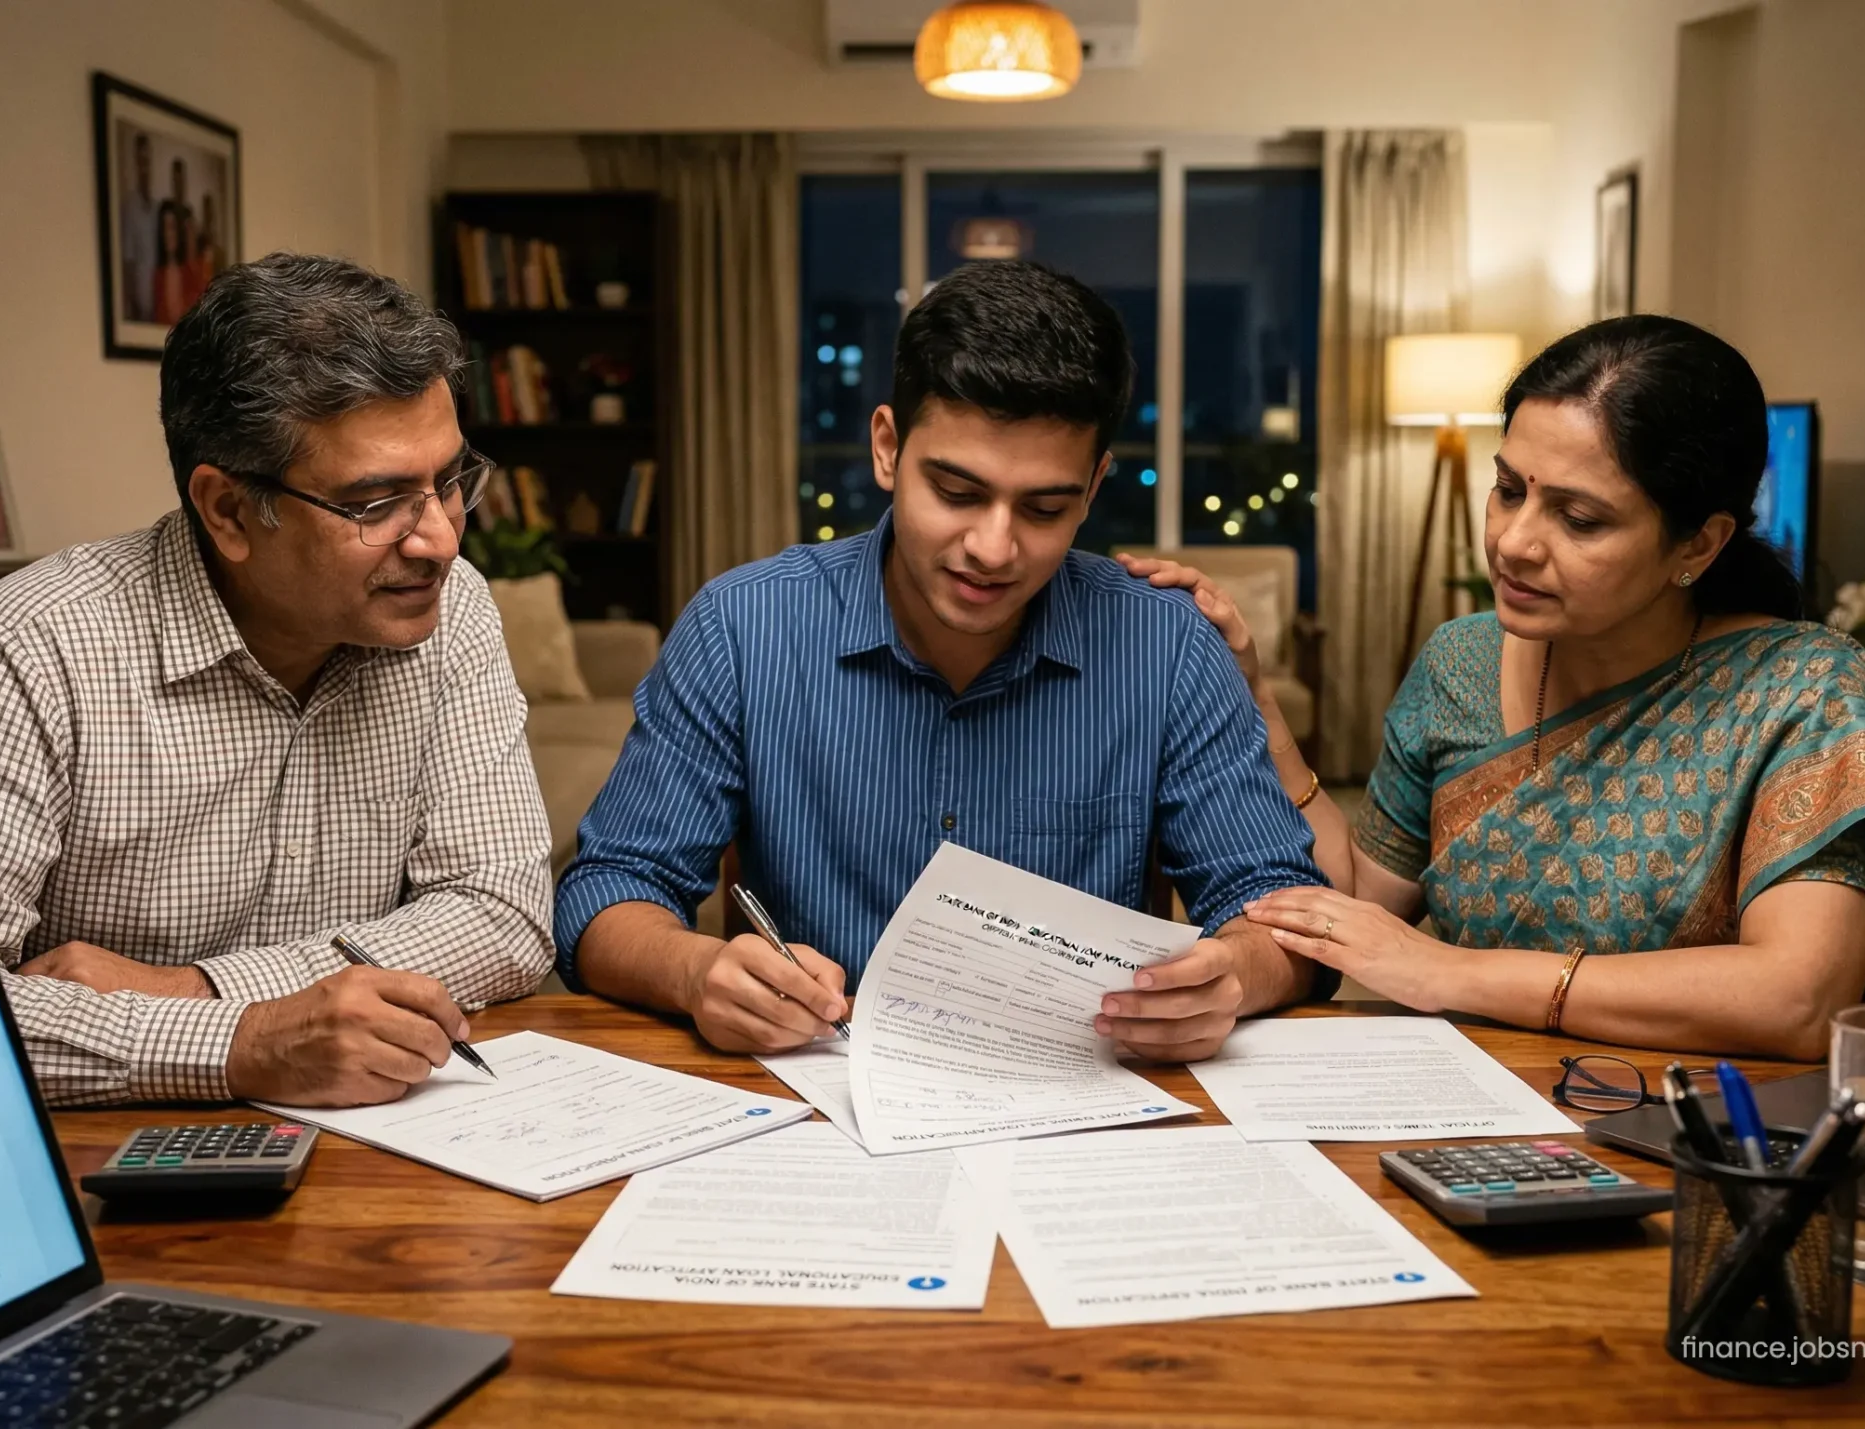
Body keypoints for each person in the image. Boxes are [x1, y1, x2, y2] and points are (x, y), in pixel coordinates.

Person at [1153, 315, 1865, 1063]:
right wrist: (1256, 704)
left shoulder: (1804, 692)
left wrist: (1457, 972)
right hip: (1485, 1106)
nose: (1513, 543)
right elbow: (1360, 907)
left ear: (1698, 542)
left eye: (1578, 518)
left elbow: (1800, 999)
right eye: (1508, 489)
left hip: (1708, 1131)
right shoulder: (1461, 665)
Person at [556, 259, 1327, 1063]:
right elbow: (605, 892)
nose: (993, 549)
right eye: (957, 492)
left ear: (1095, 486)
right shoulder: (743, 628)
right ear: (888, 449)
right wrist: (697, 971)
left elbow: (1288, 919)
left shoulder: (1167, 647)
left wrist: (1231, 975)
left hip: (1080, 1106)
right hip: (818, 1100)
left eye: (1044, 508)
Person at [0, 253, 555, 1107]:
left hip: (382, 1139)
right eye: (376, 502)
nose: (439, 538)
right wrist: (243, 1044)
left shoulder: (452, 610)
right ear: (226, 511)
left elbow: (502, 912)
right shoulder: (32, 649)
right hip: (104, 1176)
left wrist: (196, 991)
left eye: (448, 482)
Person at [118, 130, 158, 322]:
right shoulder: (130, 207)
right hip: (140, 302)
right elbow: (128, 261)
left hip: (159, 300)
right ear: (136, 163)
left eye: (148, 160)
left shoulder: (158, 208)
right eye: (141, 160)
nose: (145, 167)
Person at [153, 203, 196, 327]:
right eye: (164, 229)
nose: (168, 235)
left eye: (171, 227)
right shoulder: (158, 276)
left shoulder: (190, 273)